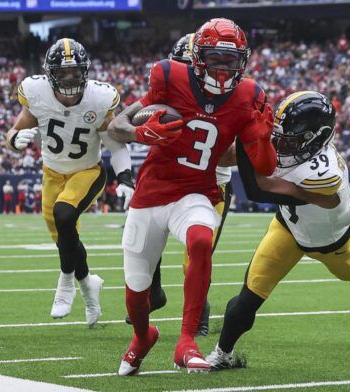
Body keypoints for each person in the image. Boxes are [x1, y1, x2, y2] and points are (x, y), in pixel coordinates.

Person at [108, 18, 277, 374]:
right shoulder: (169, 77)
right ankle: (142, 336)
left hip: (196, 190)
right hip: (151, 193)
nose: (224, 68)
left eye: (232, 60)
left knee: (201, 240)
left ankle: (187, 341)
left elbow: (263, 166)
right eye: (216, 57)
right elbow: (117, 127)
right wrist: (143, 132)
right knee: (137, 289)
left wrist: (262, 139)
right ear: (197, 57)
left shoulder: (248, 95)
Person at [205, 91, 350, 369]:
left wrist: (246, 136)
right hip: (288, 228)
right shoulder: (293, 144)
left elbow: (258, 189)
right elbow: (229, 157)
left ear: (315, 137)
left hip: (330, 241)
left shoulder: (323, 174)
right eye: (279, 135)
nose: (280, 142)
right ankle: (223, 353)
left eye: (289, 138)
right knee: (249, 296)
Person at [5, 38, 133, 327]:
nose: (69, 79)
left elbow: (114, 143)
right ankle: (89, 288)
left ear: (85, 72)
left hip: (87, 171)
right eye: (62, 74)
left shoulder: (99, 99)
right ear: (50, 74)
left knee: (65, 214)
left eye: (75, 72)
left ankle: (65, 283)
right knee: (67, 240)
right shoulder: (36, 93)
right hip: (52, 174)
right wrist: (14, 140)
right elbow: (13, 131)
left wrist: (125, 176)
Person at [121, 32, 236, 336]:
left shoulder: (229, 97)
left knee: (196, 253)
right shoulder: (169, 86)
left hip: (210, 185)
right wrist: (143, 131)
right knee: (146, 233)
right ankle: (153, 290)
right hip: (169, 179)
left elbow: (227, 155)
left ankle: (198, 315)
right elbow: (120, 126)